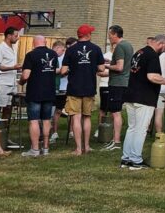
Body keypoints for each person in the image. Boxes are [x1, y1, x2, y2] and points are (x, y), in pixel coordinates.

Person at [120, 35, 165, 170]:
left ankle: (126, 158)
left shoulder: (139, 52)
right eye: (164, 48)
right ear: (161, 44)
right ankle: (135, 159)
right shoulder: (152, 55)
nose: (164, 50)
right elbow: (152, 76)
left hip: (131, 95)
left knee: (132, 127)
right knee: (141, 129)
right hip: (144, 97)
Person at [60, 25, 107, 155]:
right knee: (87, 117)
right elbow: (102, 68)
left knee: (76, 117)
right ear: (87, 35)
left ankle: (78, 149)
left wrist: (73, 68)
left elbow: (63, 70)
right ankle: (87, 146)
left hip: (74, 88)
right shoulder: (96, 49)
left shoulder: (71, 50)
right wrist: (91, 66)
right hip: (89, 87)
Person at [19, 36, 59, 157]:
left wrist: (21, 82)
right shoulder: (53, 54)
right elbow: (55, 70)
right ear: (45, 42)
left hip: (35, 92)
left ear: (33, 43)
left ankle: (35, 149)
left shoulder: (31, 55)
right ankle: (46, 148)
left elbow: (26, 75)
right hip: (49, 91)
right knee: (46, 120)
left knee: (34, 120)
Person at [102, 25, 134, 152]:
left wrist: (105, 66)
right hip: (125, 82)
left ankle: (116, 141)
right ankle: (115, 140)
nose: (109, 37)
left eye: (110, 35)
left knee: (116, 112)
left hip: (117, 83)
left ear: (115, 34)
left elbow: (119, 67)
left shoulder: (119, 47)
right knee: (117, 111)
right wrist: (109, 62)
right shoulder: (128, 45)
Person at [0, 26, 23, 146]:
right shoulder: (0, 48)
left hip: (12, 82)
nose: (17, 38)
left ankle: (5, 136)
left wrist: (17, 68)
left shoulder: (14, 47)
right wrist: (12, 67)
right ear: (8, 36)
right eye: (15, 36)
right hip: (2, 82)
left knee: (8, 109)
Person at [49, 38, 72, 143]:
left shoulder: (66, 57)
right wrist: (62, 71)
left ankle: (71, 131)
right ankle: (54, 132)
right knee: (56, 111)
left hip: (66, 87)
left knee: (70, 111)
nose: (63, 52)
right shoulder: (51, 57)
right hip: (55, 87)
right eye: (62, 50)